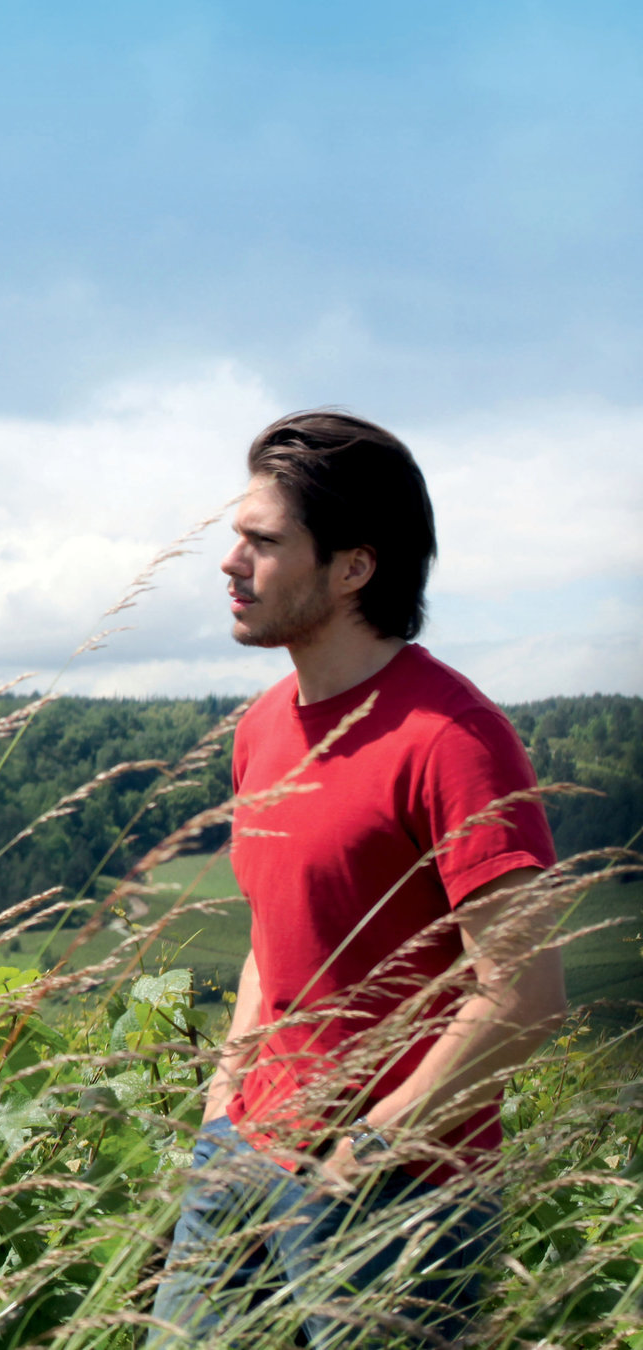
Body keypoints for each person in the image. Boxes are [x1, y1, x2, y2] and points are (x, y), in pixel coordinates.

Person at [150, 411, 566, 1347]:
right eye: (236, 537)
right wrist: (227, 1093)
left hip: (395, 1197)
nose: (230, 562)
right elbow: (277, 933)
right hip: (244, 1158)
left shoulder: (453, 739)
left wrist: (373, 1145)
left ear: (352, 568)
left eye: (263, 541)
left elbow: (528, 994)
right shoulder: (261, 728)